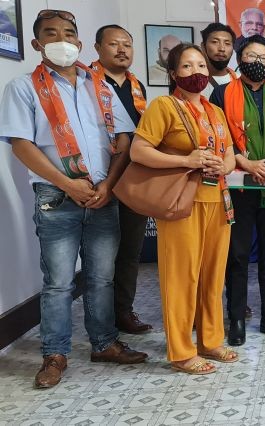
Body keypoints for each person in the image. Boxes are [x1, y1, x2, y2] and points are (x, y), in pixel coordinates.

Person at [0, 9, 148, 389]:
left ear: (80, 43)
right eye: (51, 34)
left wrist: (108, 185)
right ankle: (55, 353)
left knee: (101, 276)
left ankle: (104, 344)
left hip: (102, 192)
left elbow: (123, 140)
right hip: (57, 195)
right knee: (60, 282)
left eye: (68, 33)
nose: (61, 40)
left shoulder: (98, 86)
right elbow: (22, 144)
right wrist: (69, 184)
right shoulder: (23, 88)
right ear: (37, 44)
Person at [131, 43, 238, 374]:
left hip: (218, 202)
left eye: (202, 66)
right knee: (181, 277)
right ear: (174, 73)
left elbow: (231, 155)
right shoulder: (163, 106)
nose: (197, 72)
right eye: (188, 67)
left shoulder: (215, 111)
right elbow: (139, 151)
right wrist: (186, 160)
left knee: (212, 275)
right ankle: (181, 351)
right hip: (181, 204)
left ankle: (210, 340)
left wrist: (223, 166)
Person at [210, 36, 265, 344]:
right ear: (240, 58)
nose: (258, 62)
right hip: (237, 187)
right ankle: (235, 318)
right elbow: (217, 135)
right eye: (251, 55)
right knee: (236, 255)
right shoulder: (221, 93)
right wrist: (247, 163)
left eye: (264, 58)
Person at [91, 24, 153, 334]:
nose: (122, 50)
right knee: (100, 255)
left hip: (133, 178)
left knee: (130, 250)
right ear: (97, 48)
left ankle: (123, 312)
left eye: (127, 45)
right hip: (96, 178)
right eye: (113, 44)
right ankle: (100, 322)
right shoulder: (85, 83)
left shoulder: (136, 86)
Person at [200, 23, 237, 98]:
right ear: (203, 46)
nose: (222, 49)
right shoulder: (194, 82)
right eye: (215, 42)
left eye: (227, 43)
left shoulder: (241, 80)